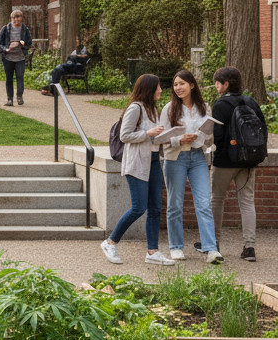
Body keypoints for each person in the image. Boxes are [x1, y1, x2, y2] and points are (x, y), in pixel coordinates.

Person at [100, 73, 175, 267]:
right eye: (158, 87)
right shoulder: (135, 108)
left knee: (156, 207)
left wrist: (168, 134)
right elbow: (125, 136)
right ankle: (110, 242)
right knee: (139, 207)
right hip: (137, 163)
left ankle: (153, 251)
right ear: (149, 88)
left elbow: (152, 138)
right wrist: (148, 133)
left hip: (153, 161)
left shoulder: (153, 109)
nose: (161, 90)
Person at [205, 66, 267, 262]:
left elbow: (218, 136)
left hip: (225, 162)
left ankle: (214, 245)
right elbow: (263, 131)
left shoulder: (220, 105)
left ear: (226, 84)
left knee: (217, 200)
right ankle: (249, 247)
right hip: (248, 161)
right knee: (247, 202)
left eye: (217, 82)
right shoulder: (251, 102)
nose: (215, 86)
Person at [161, 69, 221, 264]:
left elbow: (210, 136)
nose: (178, 88)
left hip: (197, 157)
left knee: (204, 204)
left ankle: (211, 249)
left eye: (182, 84)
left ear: (192, 85)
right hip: (175, 158)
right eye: (175, 84)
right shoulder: (168, 109)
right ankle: (176, 247)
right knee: (175, 205)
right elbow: (163, 140)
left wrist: (200, 137)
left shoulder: (204, 107)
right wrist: (181, 139)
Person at [0, 9, 32, 106]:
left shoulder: (25, 29)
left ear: (21, 19)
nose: (16, 21)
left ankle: (19, 96)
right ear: (12, 18)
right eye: (14, 19)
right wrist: (5, 49)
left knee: (20, 77)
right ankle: (10, 100)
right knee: (9, 79)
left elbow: (29, 44)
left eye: (18, 19)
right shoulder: (6, 28)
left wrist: (23, 44)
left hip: (20, 58)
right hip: (8, 58)